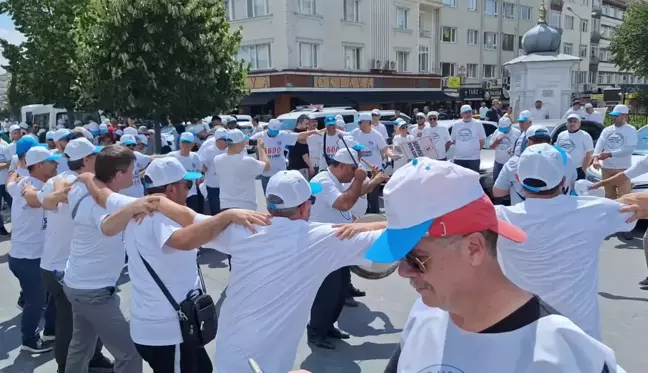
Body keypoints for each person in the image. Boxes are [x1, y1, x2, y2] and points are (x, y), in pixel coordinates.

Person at [348, 158, 626, 373]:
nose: (403, 271)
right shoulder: (424, 315)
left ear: (474, 248)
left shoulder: (566, 355)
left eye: (416, 258)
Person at [79, 157, 271, 373]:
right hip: (167, 333)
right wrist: (225, 217)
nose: (190, 190)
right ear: (171, 189)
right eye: (186, 185)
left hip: (167, 328)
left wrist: (87, 178)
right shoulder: (157, 217)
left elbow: (104, 195)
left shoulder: (136, 206)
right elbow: (184, 241)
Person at [201, 170, 387, 373]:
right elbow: (398, 239)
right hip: (268, 364)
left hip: (228, 356)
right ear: (304, 207)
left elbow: (190, 221)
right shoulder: (322, 239)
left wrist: (225, 215)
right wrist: (373, 224)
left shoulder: (241, 229)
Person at [496, 143, 638, 342]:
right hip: (581, 337)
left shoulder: (498, 217)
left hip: (523, 334)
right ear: (563, 179)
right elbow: (636, 207)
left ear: (518, 179)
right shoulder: (597, 210)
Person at [63, 145, 145, 373]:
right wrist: (135, 208)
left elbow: (89, 180)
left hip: (79, 284)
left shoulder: (85, 190)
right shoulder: (95, 206)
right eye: (132, 170)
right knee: (129, 353)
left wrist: (89, 178)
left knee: (81, 346)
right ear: (118, 176)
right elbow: (108, 227)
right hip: (93, 292)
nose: (135, 174)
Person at [37, 138, 113, 372]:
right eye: (96, 156)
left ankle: (93, 358)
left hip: (60, 265)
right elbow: (47, 201)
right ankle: (65, 367)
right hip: (64, 267)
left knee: (87, 319)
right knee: (70, 324)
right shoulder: (81, 186)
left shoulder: (56, 182)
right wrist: (61, 192)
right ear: (87, 160)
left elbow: (41, 201)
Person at [6, 145, 61, 353]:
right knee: (36, 301)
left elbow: (10, 183)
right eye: (51, 161)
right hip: (30, 258)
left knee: (49, 295)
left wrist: (14, 174)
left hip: (23, 256)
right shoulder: (37, 189)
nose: (56, 164)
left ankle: (51, 330)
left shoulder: (21, 184)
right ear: (39, 165)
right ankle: (29, 340)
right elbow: (40, 200)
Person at [493, 125, 577, 204]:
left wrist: (517, 188)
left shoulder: (514, 163)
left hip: (523, 216)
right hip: (559, 214)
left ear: (527, 141)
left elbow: (497, 192)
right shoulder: (568, 159)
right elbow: (572, 185)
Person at [251, 119, 318, 192]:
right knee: (269, 196)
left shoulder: (282, 135)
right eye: (272, 131)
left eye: (276, 131)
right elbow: (247, 142)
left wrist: (313, 132)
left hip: (280, 173)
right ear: (268, 128)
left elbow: (299, 136)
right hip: (266, 174)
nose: (274, 133)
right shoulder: (260, 136)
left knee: (282, 195)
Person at [215, 129, 270, 212]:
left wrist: (241, 145)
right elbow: (267, 166)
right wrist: (261, 148)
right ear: (240, 143)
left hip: (225, 206)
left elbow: (233, 153)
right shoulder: (248, 161)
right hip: (245, 207)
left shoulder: (217, 159)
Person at [351, 113, 397, 213]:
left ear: (368, 123)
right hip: (361, 170)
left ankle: (375, 216)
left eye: (360, 122)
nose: (359, 125)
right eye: (358, 122)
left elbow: (384, 149)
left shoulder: (376, 135)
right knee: (362, 195)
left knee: (373, 196)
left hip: (374, 170)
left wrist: (392, 156)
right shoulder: (355, 133)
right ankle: (363, 215)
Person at [592, 105, 637, 202]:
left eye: (616, 115)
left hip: (623, 169)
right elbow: (599, 144)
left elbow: (628, 150)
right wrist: (595, 159)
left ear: (625, 116)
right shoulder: (607, 130)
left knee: (625, 198)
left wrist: (609, 154)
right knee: (609, 197)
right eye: (613, 115)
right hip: (607, 168)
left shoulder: (631, 130)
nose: (614, 118)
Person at [168, 132, 204, 213]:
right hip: (176, 195)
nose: (185, 145)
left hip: (192, 193)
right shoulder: (172, 156)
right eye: (183, 142)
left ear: (192, 144)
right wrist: (188, 176)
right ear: (180, 143)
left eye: (188, 143)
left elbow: (198, 174)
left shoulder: (195, 157)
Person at [197, 127, 228, 215]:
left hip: (227, 185)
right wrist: (204, 169)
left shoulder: (229, 149)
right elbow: (199, 163)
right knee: (216, 211)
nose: (227, 142)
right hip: (213, 186)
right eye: (225, 139)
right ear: (218, 140)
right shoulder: (208, 150)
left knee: (227, 210)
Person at [555, 114, 594, 180]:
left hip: (578, 169)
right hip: (563, 168)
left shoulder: (585, 135)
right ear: (567, 123)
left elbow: (589, 154)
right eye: (570, 121)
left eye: (575, 121)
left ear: (579, 123)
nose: (572, 123)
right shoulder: (561, 135)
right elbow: (557, 151)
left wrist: (583, 170)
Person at [450, 104, 486, 173]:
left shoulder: (478, 124)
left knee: (473, 180)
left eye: (470, 112)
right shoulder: (456, 124)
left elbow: (482, 141)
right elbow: (454, 140)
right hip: (459, 158)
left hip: (474, 158)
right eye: (466, 112)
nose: (468, 114)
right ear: (461, 114)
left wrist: (474, 150)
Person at [489, 117, 520, 182]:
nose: (503, 131)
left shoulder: (517, 133)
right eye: (502, 129)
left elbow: (519, 148)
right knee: (497, 181)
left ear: (510, 125)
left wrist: (513, 151)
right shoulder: (497, 132)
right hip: (498, 163)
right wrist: (496, 142)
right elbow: (491, 147)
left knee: (510, 183)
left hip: (511, 163)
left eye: (505, 129)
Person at [288, 115, 314, 179]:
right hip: (301, 168)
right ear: (299, 123)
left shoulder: (292, 133)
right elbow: (303, 152)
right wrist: (310, 166)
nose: (307, 126)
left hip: (292, 166)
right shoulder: (299, 135)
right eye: (306, 124)